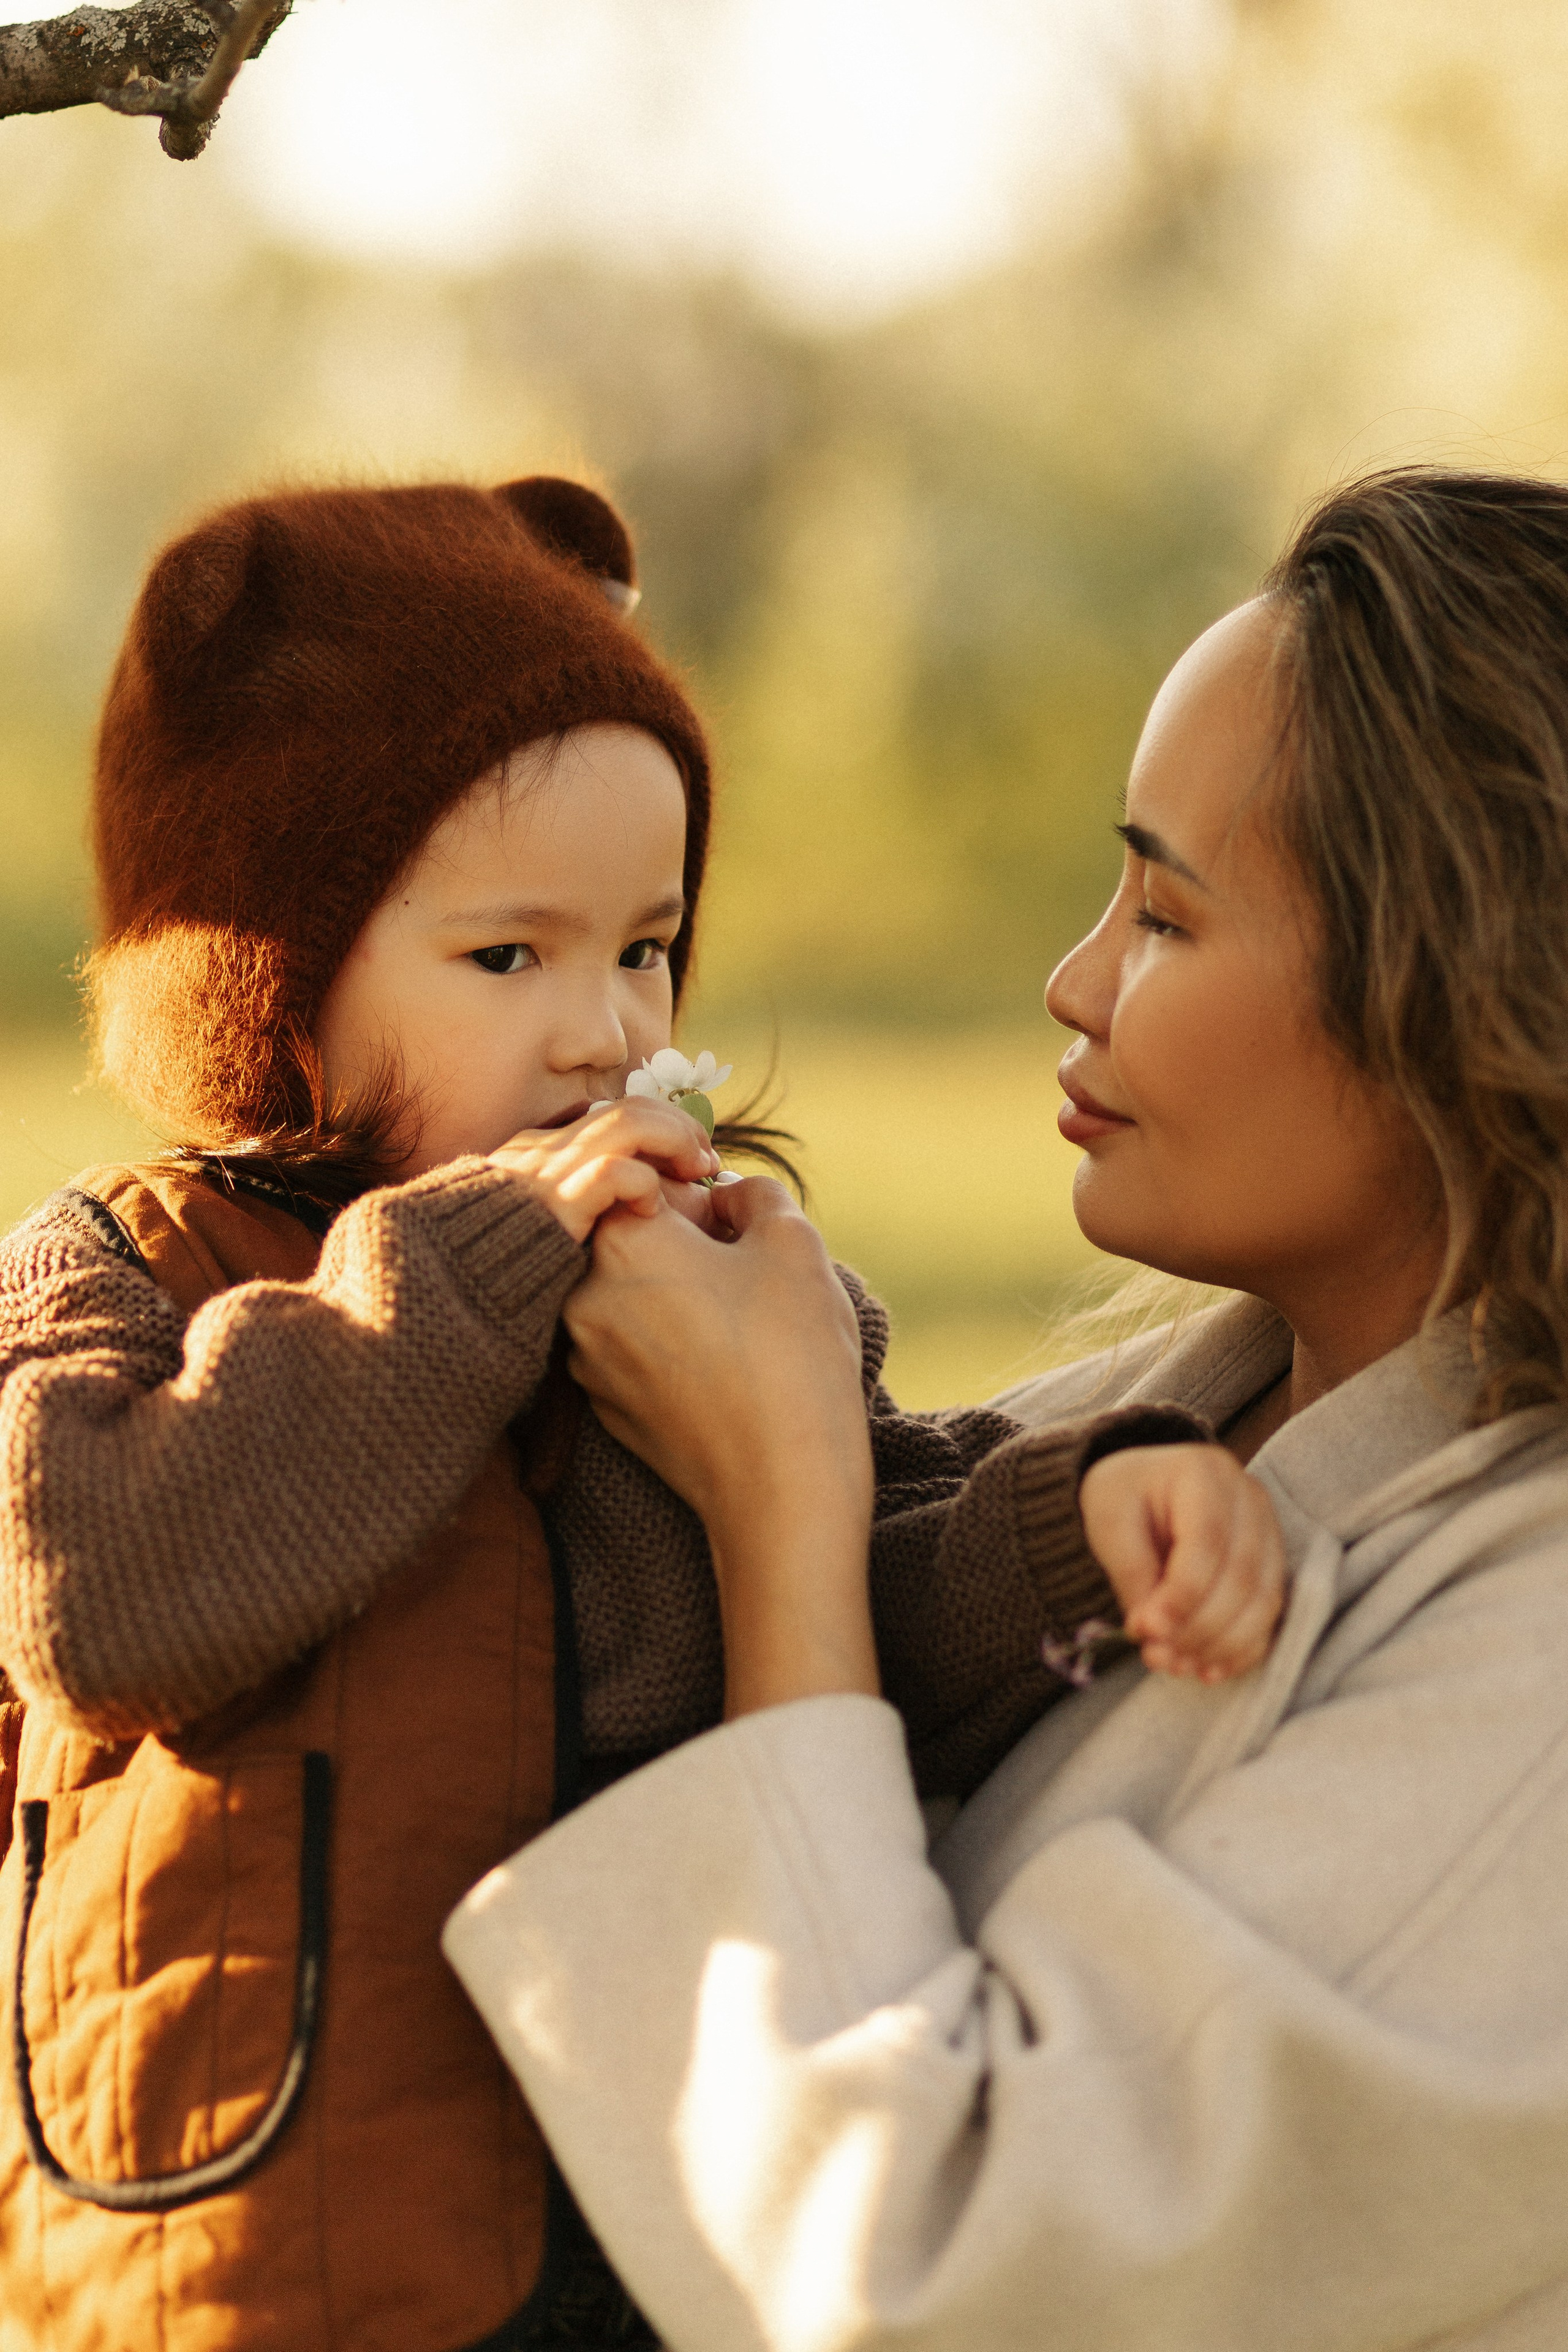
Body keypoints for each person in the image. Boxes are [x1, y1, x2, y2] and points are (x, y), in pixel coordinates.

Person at [0, 474, 1284, 2352]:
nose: (604, 1030)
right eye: (508, 960)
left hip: (640, 2208)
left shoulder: (683, 1272)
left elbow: (846, 1564)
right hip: (242, 2246)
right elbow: (95, 1601)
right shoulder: (133, 1263)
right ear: (270, 974)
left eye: (646, 948)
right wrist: (470, 1262)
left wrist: (1077, 1521)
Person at [446, 467, 1568, 2352]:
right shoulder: (1177, 1427)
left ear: (1459, 994)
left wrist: (779, 1498)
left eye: (1167, 915)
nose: (1072, 979)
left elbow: (917, 2282)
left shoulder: (1529, 1687)